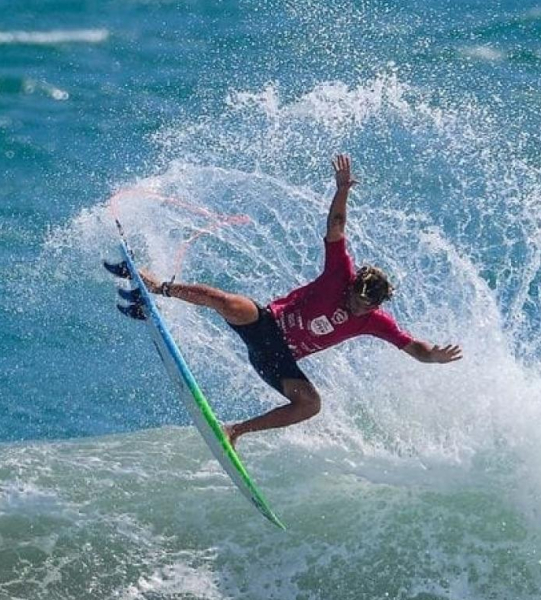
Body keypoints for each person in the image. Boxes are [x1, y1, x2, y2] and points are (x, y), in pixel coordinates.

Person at [107, 154, 462, 446]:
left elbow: (412, 346)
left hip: (277, 360)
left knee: (311, 405)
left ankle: (234, 431)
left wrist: (433, 356)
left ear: (375, 307)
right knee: (231, 302)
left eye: (364, 306)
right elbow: (337, 225)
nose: (355, 307)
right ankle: (154, 289)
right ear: (352, 284)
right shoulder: (340, 273)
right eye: (354, 298)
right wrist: (342, 190)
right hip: (265, 326)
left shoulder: (374, 321)